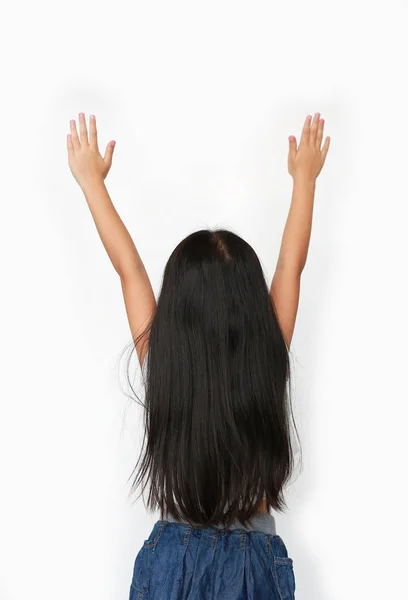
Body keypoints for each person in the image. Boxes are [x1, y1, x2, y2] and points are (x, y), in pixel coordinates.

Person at [67, 112, 330, 599]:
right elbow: (292, 266)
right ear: (252, 314)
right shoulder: (266, 359)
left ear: (177, 316)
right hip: (254, 565)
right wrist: (305, 180)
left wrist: (91, 183)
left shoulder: (163, 361)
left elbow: (129, 269)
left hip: (173, 566)